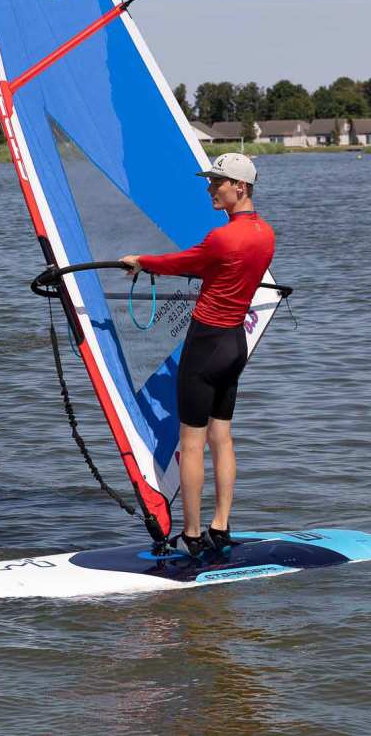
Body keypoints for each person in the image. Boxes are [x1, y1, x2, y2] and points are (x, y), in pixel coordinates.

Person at [121, 153, 275, 557]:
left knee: (191, 443)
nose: (210, 189)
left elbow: (185, 262)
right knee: (221, 436)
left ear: (239, 187)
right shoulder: (266, 235)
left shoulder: (222, 238)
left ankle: (190, 535)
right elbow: (213, 268)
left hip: (206, 343)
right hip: (234, 346)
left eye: (217, 183)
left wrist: (141, 261)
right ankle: (220, 527)